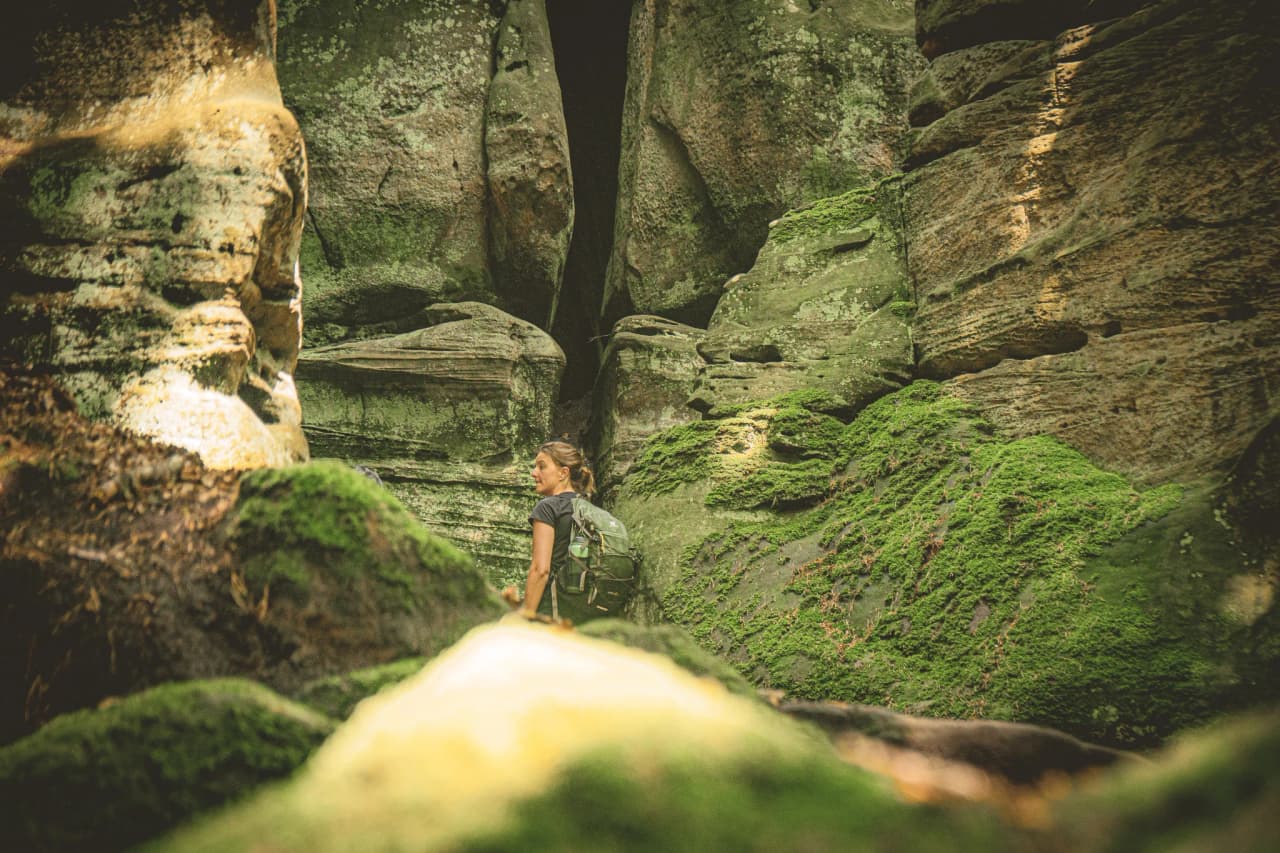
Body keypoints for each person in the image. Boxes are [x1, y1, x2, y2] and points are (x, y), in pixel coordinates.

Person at [514, 439, 596, 619]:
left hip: (551, 608)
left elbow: (540, 570)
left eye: (541, 466)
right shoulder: (589, 509)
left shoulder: (548, 507)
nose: (534, 473)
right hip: (583, 611)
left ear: (563, 473)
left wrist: (524, 616)